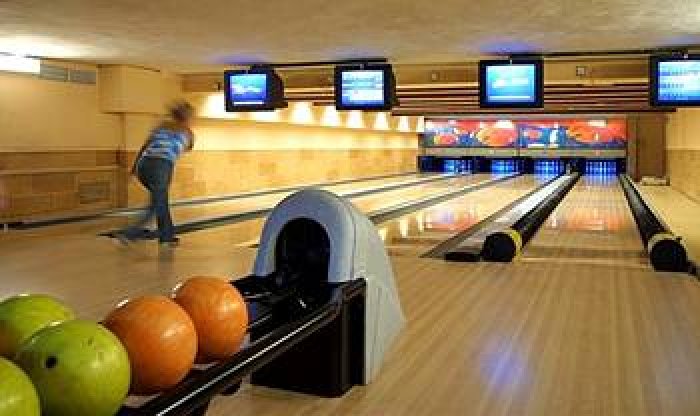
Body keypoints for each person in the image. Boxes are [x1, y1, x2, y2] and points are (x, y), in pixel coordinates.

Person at [117, 101, 195, 246]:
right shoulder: (186, 131)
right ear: (186, 117)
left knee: (160, 201)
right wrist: (186, 129)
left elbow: (145, 146)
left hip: (144, 165)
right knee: (156, 203)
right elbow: (190, 147)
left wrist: (134, 168)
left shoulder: (162, 126)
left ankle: (167, 236)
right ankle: (130, 234)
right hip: (162, 165)